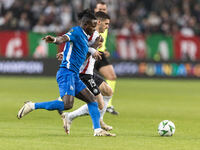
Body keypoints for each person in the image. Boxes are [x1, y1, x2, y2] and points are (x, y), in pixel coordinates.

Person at [17, 10, 115, 137]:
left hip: (74, 75)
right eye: (93, 25)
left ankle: (97, 130)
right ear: (85, 25)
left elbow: (80, 54)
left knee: (92, 100)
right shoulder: (76, 31)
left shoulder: (86, 38)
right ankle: (32, 106)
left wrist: (93, 48)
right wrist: (54, 40)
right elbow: (63, 38)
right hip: (66, 73)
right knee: (67, 105)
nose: (94, 27)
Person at [59, 11, 114, 134]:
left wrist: (99, 52)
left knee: (108, 91)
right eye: (106, 24)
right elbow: (78, 46)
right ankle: (94, 123)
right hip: (83, 73)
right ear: (98, 22)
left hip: (90, 72)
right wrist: (64, 54)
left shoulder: (98, 37)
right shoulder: (90, 34)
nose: (107, 27)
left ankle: (97, 120)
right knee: (98, 103)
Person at [94, 1, 118, 115]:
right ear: (95, 10)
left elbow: (101, 41)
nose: (102, 11)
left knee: (112, 76)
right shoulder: (91, 24)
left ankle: (108, 105)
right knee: (77, 79)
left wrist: (104, 49)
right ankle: (61, 101)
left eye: (104, 9)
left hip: (100, 54)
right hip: (90, 54)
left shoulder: (105, 24)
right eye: (100, 9)